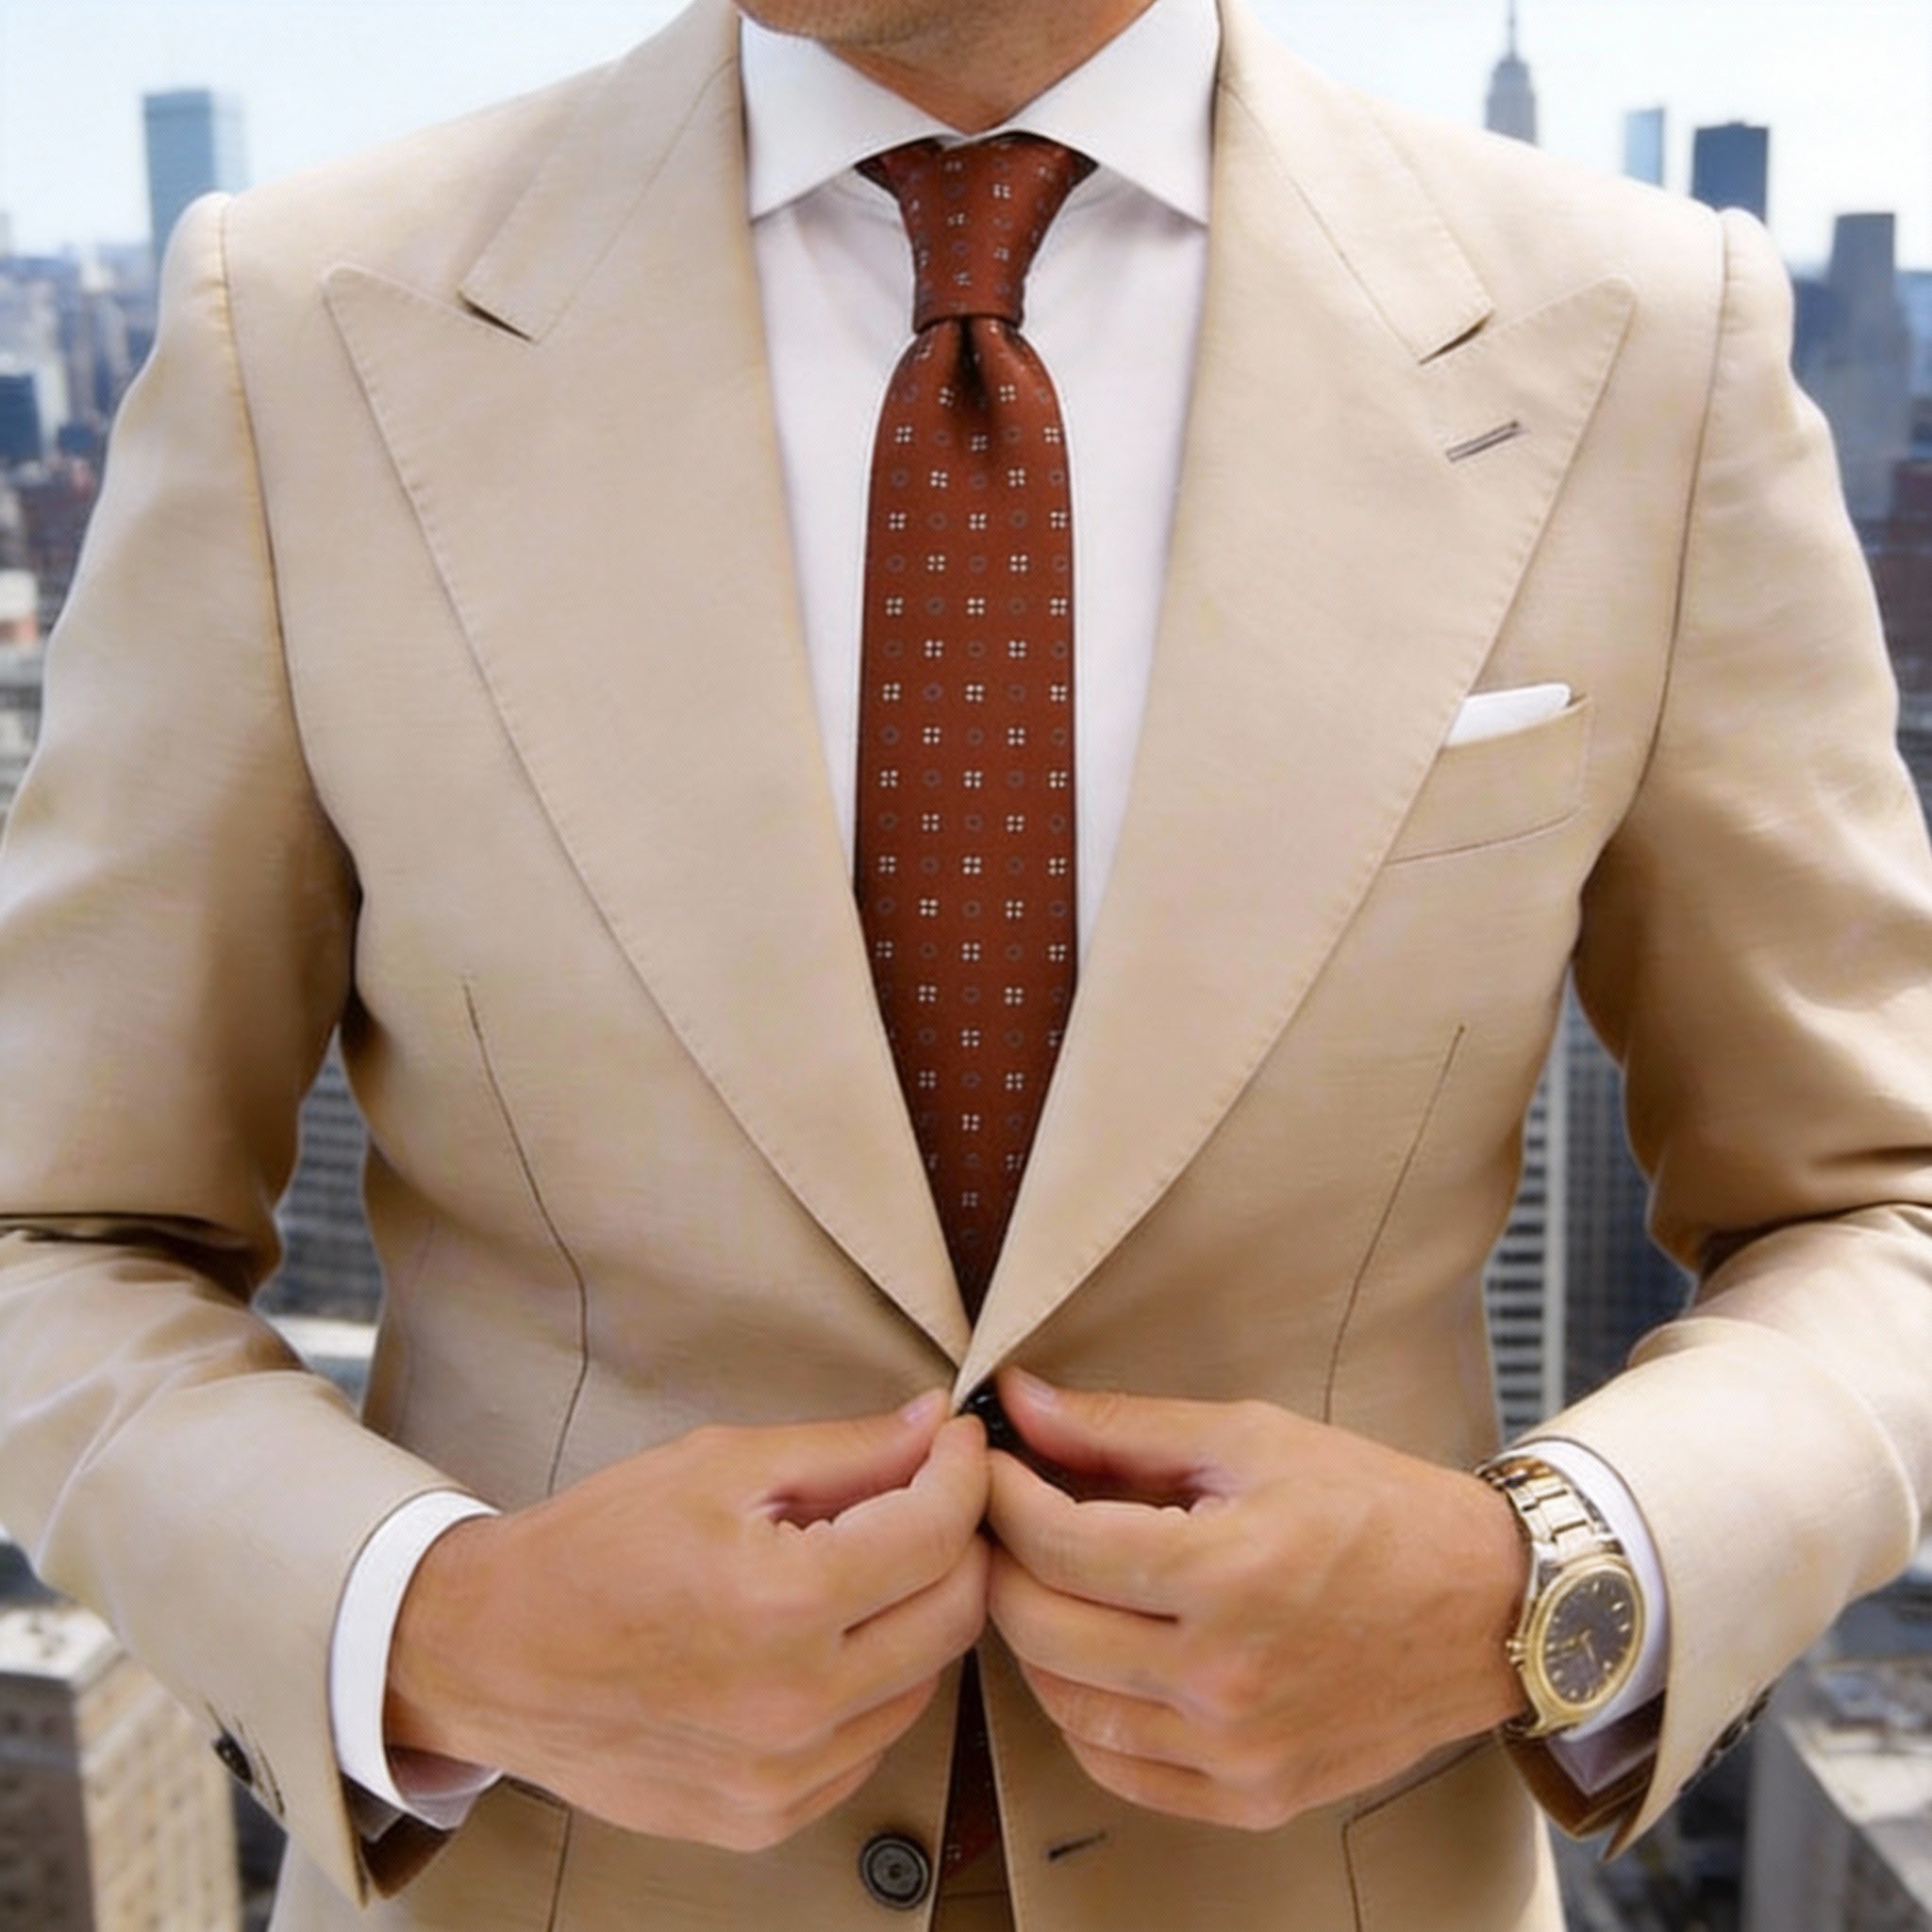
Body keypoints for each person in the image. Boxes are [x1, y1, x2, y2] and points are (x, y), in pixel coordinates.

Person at [1, 0, 1928, 1925]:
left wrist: (1538, 1586)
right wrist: (438, 1627)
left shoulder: (1640, 337)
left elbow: (1880, 1204)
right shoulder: (301, 328)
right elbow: (52, 1231)